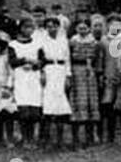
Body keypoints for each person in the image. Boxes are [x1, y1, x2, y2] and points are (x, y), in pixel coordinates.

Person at [8, 18, 43, 147]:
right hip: (20, 77)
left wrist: (35, 65)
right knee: (23, 110)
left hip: (33, 78)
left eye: (31, 27)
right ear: (20, 28)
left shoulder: (37, 44)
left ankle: (31, 138)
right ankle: (23, 138)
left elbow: (41, 61)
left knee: (33, 110)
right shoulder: (13, 44)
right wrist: (24, 60)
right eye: (25, 27)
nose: (28, 30)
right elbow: (12, 61)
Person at [67, 19, 102, 147]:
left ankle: (90, 136)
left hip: (89, 72)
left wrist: (95, 71)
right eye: (79, 28)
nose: (82, 31)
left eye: (85, 28)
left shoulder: (94, 42)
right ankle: (75, 137)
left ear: (89, 29)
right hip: (76, 71)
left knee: (90, 101)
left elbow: (98, 59)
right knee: (77, 101)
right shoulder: (72, 41)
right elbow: (68, 57)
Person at [39, 16, 72, 148]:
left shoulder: (64, 40)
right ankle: (46, 139)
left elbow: (67, 59)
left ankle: (60, 140)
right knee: (48, 105)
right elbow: (39, 58)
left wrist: (68, 76)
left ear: (58, 27)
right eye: (49, 26)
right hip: (48, 70)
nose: (51, 29)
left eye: (54, 26)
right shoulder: (42, 41)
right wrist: (42, 72)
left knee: (60, 105)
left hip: (61, 71)